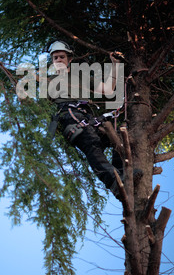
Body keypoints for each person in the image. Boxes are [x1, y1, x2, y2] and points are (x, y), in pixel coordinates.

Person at [46, 40, 125, 200]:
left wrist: (115, 65)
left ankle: (123, 176)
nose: (58, 60)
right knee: (91, 144)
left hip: (87, 117)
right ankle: (114, 183)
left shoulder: (80, 76)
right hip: (70, 116)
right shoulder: (49, 81)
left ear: (69, 59)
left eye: (61, 57)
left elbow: (108, 89)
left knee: (119, 137)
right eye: (55, 58)